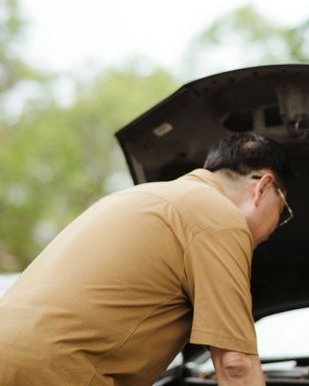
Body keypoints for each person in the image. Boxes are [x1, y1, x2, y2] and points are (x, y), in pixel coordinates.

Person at [0, 132, 293, 385]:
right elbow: (236, 365)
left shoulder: (134, 197)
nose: (276, 225)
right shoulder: (219, 218)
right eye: (283, 212)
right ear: (263, 187)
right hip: (52, 374)